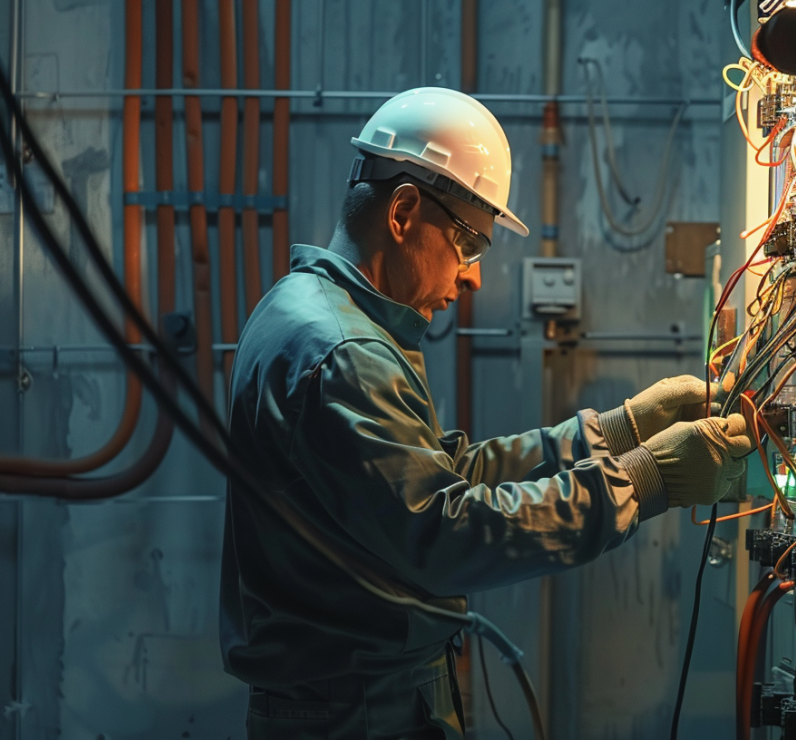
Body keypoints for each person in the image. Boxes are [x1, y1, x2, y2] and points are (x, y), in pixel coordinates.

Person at [220, 87, 755, 739]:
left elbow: (445, 474)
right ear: (404, 211)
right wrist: (644, 480)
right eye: (469, 242)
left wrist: (618, 431)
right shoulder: (342, 351)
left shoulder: (313, 313)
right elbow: (444, 532)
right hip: (358, 713)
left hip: (356, 695)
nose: (474, 277)